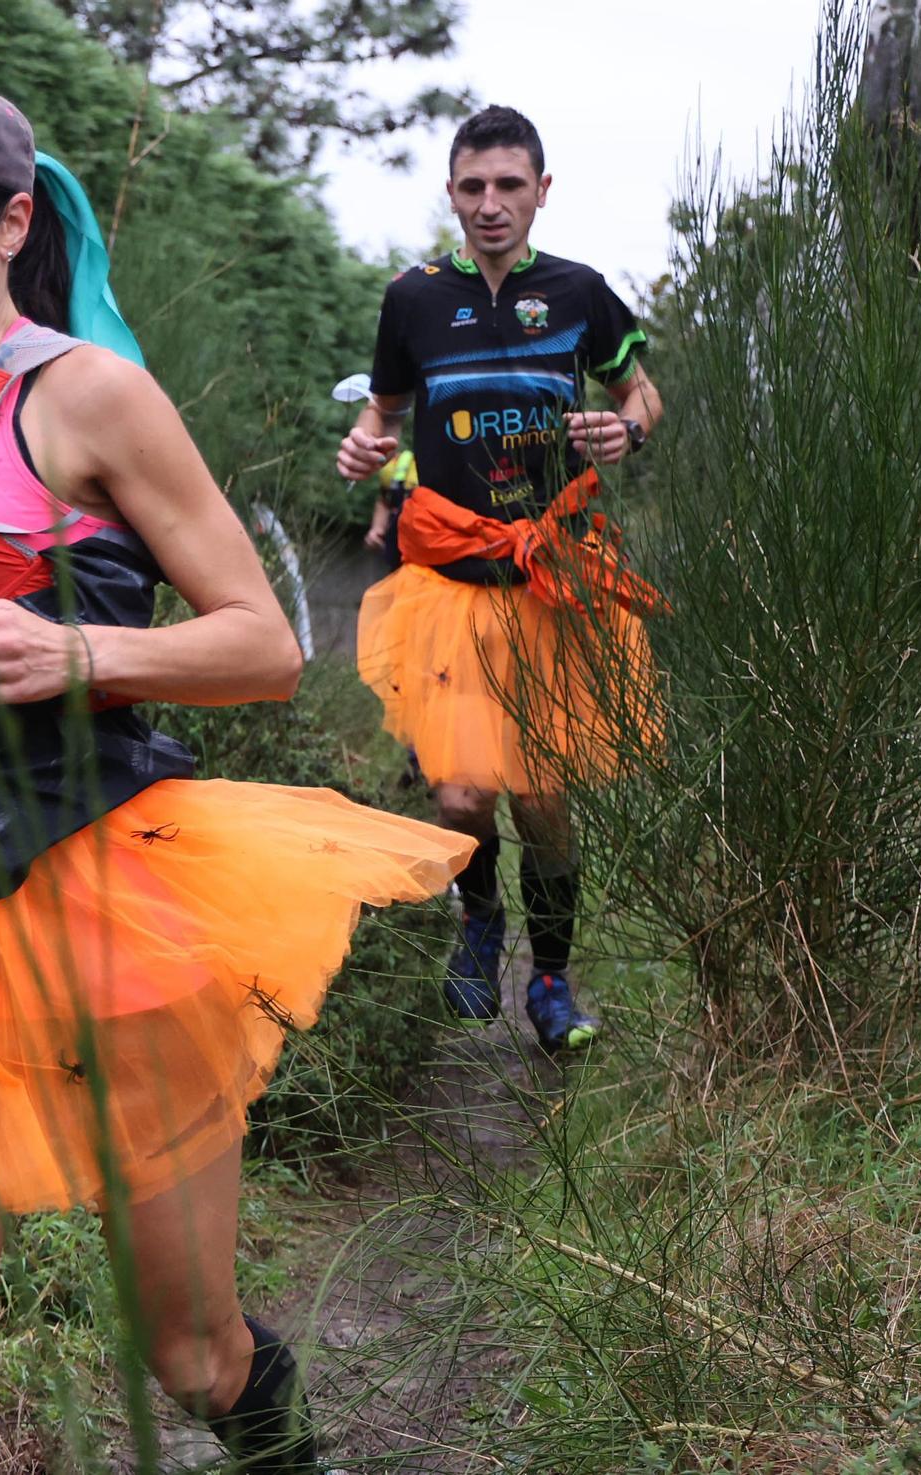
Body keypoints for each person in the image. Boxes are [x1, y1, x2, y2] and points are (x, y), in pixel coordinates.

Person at [0, 71, 476, 1475]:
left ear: (8, 217)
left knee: (189, 1350)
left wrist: (69, 651)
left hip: (100, 908)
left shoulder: (90, 394)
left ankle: (283, 1448)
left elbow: (265, 643)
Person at [338, 104, 665, 1053]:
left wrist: (627, 428)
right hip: (448, 582)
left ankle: (553, 978)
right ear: (451, 192)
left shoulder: (581, 293)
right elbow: (384, 417)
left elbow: (641, 391)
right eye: (473, 186)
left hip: (555, 580)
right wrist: (365, 449)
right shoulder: (413, 300)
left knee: (547, 799)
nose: (491, 204)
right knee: (462, 797)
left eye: (509, 185)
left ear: (541, 191)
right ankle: (479, 924)